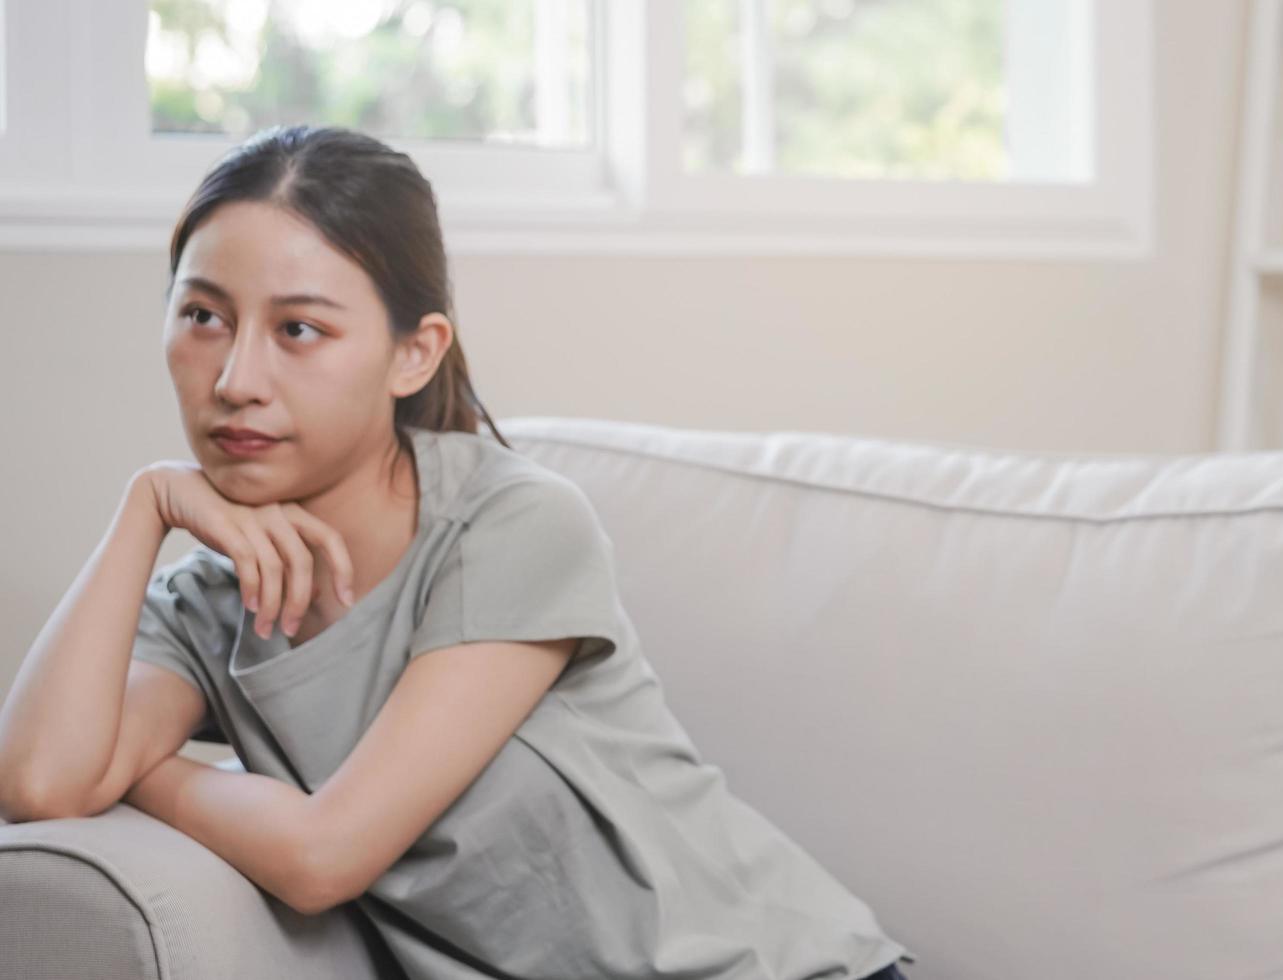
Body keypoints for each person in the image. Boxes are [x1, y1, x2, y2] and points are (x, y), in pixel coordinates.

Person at [0, 125, 911, 980]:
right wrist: (145, 505)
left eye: (298, 329)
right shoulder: (208, 605)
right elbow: (40, 782)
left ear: (414, 354)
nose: (236, 380)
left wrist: (147, 772)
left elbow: (323, 857)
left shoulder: (510, 524)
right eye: (203, 316)